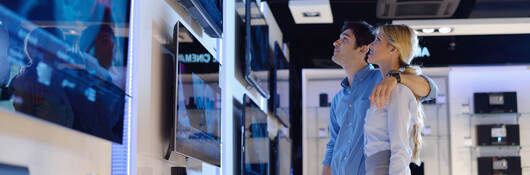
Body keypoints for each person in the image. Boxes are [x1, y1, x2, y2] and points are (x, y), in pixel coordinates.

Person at [321, 21, 438, 175]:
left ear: (362, 48)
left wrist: (395, 77)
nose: (335, 43)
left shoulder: (384, 80)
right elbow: (333, 144)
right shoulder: (338, 99)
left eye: (344, 39)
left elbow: (432, 89)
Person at [364, 24, 425, 175]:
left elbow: (401, 147)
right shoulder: (387, 87)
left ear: (393, 49)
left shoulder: (398, 90)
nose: (370, 45)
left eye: (377, 40)